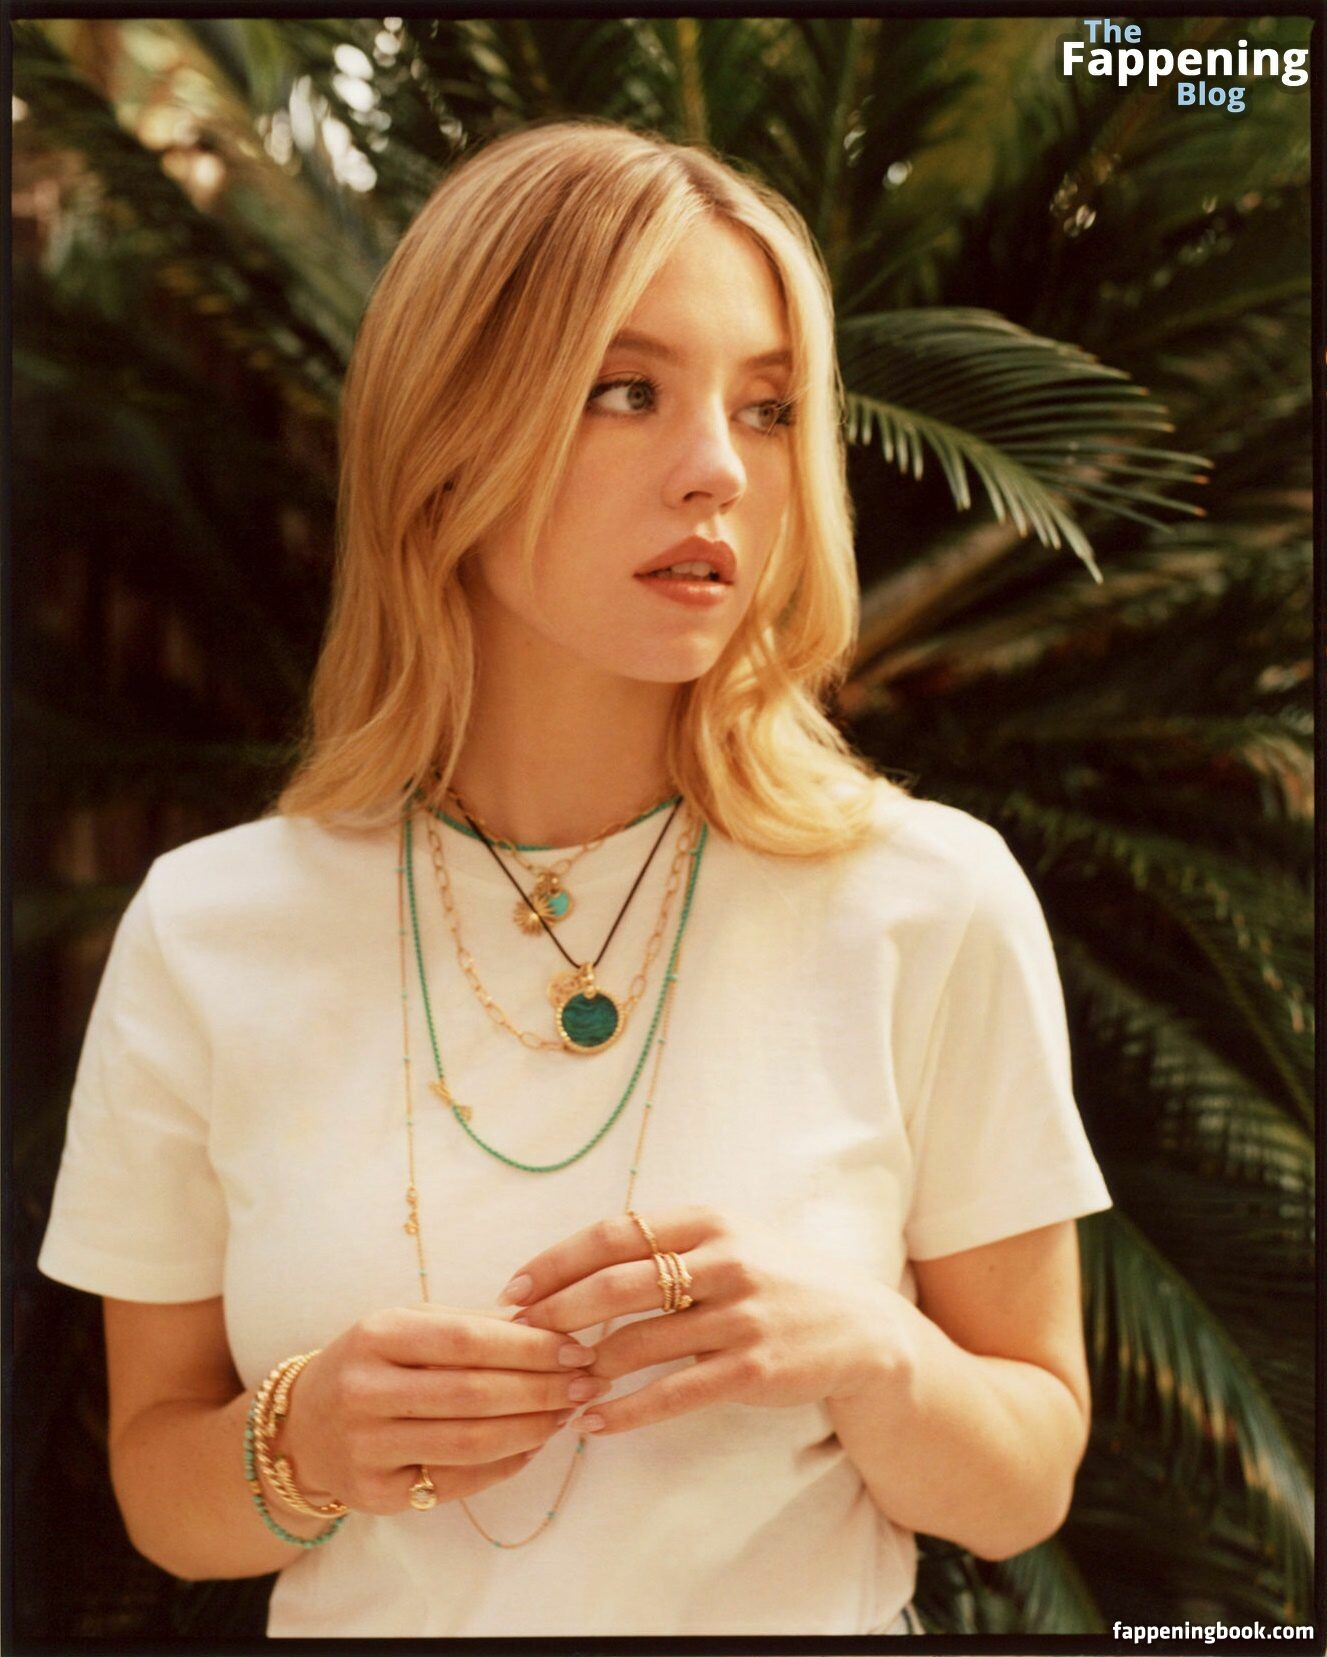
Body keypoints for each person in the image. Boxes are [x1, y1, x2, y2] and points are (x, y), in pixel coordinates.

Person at [37, 116, 1113, 1639]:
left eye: (768, 408)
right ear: (448, 437)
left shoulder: (927, 901)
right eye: (628, 391)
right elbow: (161, 1483)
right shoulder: (211, 930)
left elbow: (1027, 1478)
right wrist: (305, 1443)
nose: (718, 471)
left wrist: (870, 1350)